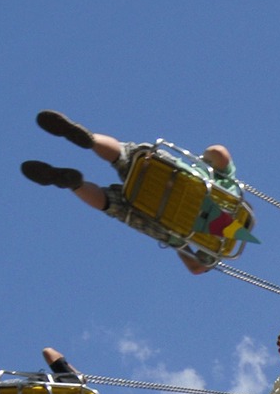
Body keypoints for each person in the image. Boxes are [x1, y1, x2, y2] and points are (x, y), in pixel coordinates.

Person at [21, 110, 253, 274]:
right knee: (111, 205)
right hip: (158, 216)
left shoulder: (229, 188)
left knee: (125, 154)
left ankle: (91, 140)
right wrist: (179, 245)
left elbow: (219, 151)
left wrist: (203, 162)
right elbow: (196, 267)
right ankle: (74, 184)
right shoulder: (215, 248)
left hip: (168, 175)